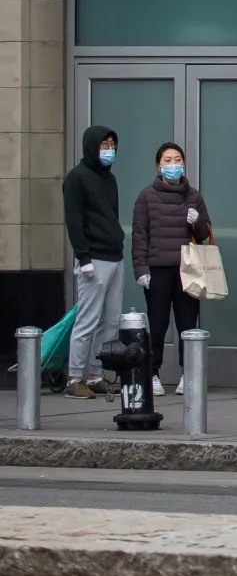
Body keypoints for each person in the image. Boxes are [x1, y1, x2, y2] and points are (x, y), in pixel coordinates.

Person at [131, 142, 211, 397]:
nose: (173, 165)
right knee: (157, 324)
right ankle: (152, 373)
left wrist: (197, 221)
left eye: (177, 160)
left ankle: (188, 374)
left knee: (188, 324)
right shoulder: (146, 197)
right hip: (158, 270)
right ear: (158, 165)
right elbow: (139, 236)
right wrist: (141, 269)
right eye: (167, 161)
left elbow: (204, 233)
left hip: (188, 270)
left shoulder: (194, 196)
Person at [61, 125, 123, 399]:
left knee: (110, 321)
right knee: (87, 319)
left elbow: (111, 215)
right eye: (104, 144)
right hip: (93, 259)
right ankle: (75, 377)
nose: (109, 150)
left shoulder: (109, 179)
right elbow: (74, 220)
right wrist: (82, 256)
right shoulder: (77, 177)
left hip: (114, 256)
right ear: (92, 146)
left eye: (112, 144)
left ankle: (97, 373)